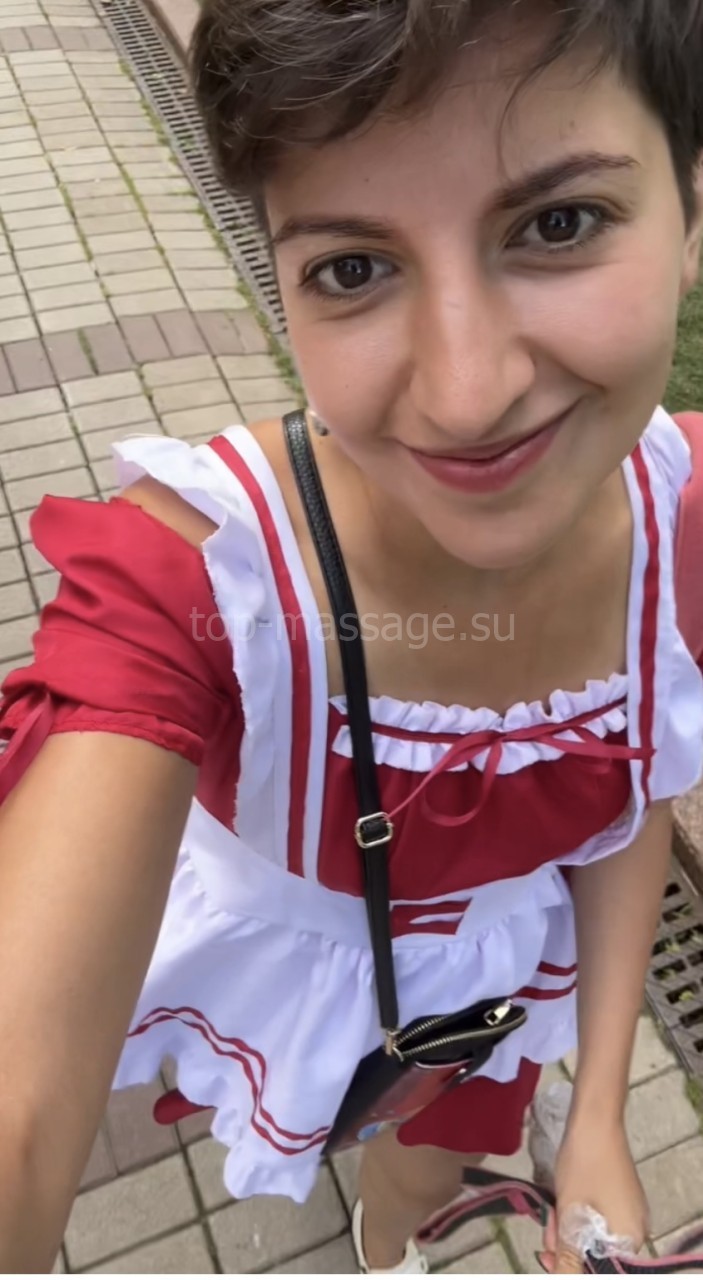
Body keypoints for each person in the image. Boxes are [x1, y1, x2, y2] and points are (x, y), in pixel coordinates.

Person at [1, 0, 703, 1271]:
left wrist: (600, 1104)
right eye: (351, 268)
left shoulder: (685, 518)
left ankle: (393, 1247)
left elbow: (624, 803)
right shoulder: (203, 575)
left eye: (557, 223)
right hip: (285, 974)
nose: (467, 393)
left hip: (491, 991)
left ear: (693, 208)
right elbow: (20, 1114)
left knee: (420, 1172)